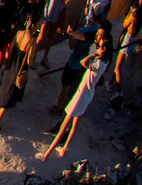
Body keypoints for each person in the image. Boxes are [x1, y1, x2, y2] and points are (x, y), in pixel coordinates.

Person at [40, 28, 111, 161]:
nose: (98, 48)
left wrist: (94, 54)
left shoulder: (98, 63)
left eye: (101, 47)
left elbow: (83, 62)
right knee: (74, 124)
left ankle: (47, 154)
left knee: (64, 125)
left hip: (81, 95)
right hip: (86, 94)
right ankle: (64, 148)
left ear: (104, 49)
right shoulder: (105, 61)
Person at [37, 0, 72, 69]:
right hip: (48, 13)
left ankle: (45, 57)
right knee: (41, 35)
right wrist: (41, 11)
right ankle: (32, 55)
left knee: (50, 37)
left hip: (57, 13)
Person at [113, 4, 139, 90]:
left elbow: (125, 24)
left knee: (117, 68)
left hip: (128, 39)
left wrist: (129, 12)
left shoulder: (134, 14)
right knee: (118, 65)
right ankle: (110, 83)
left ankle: (118, 90)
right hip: (135, 40)